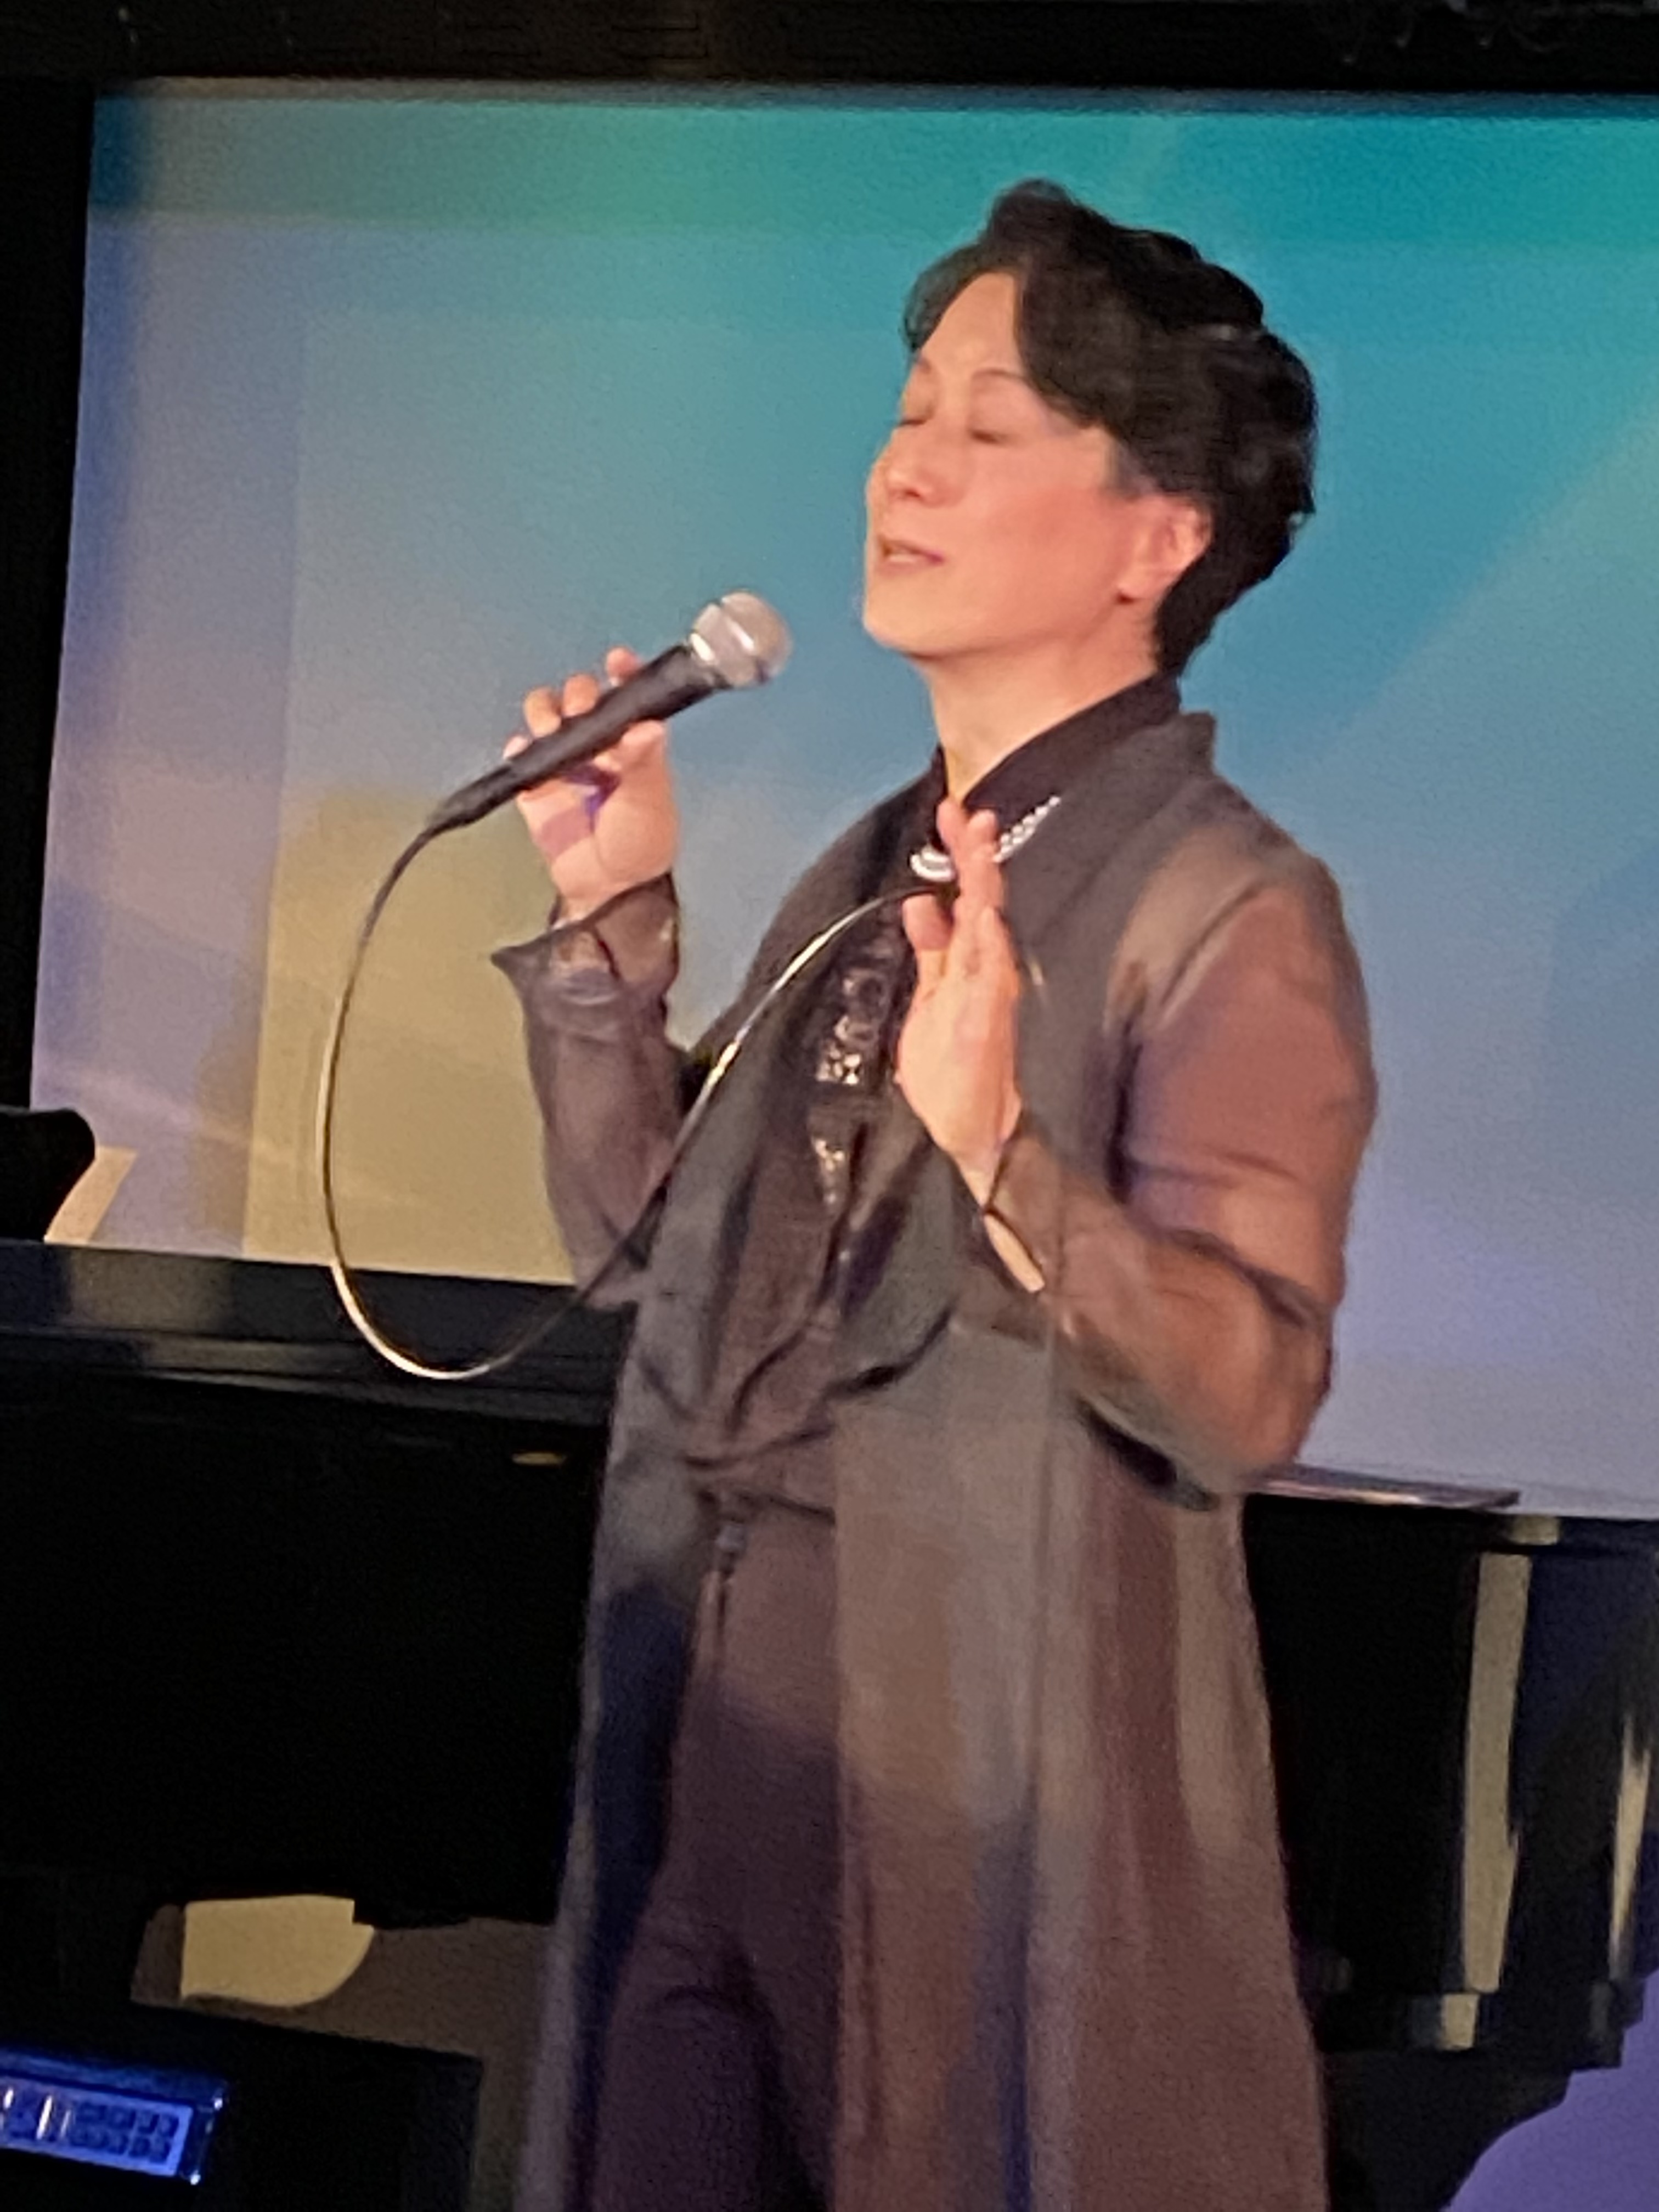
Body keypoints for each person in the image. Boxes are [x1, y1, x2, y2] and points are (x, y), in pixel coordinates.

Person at [495, 179, 1376, 2212]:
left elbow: (1243, 1391)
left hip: (960, 1764)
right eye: (909, 420)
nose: (908, 470)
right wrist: (614, 928)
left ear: (1156, 539)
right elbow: (648, 1258)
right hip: (717, 1712)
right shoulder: (870, 866)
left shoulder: (1225, 903)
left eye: (990, 429)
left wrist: (1001, 1154)